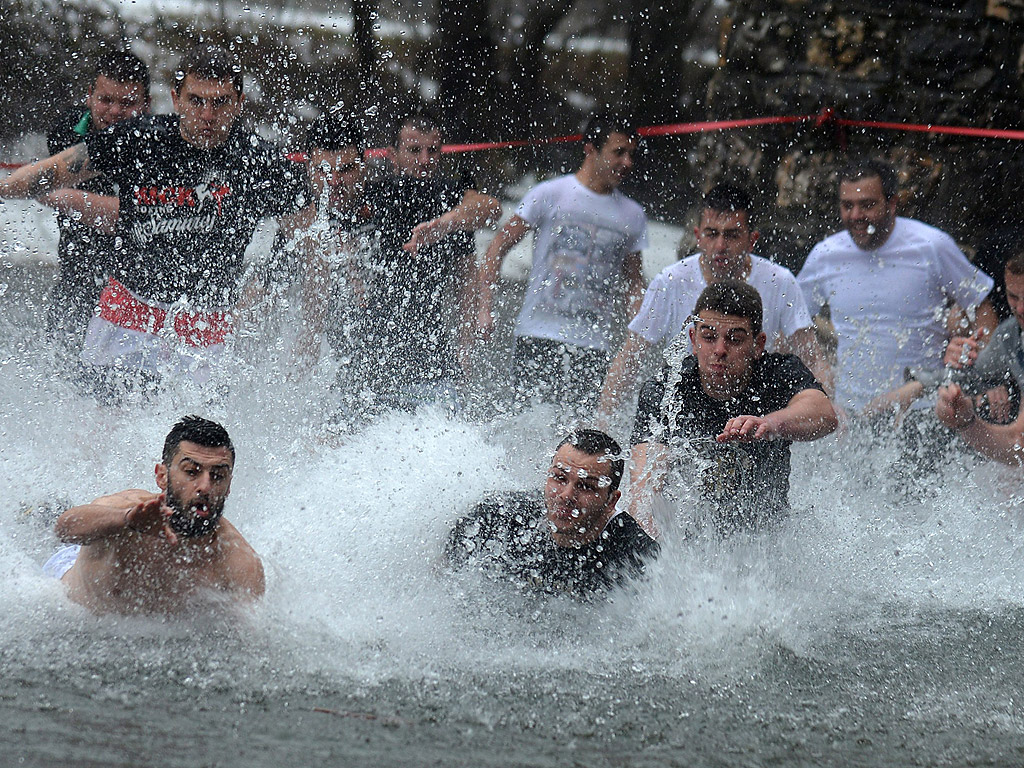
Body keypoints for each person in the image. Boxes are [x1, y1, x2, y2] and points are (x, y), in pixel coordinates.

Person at [0, 44, 314, 389]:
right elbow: (51, 171)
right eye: (196, 100)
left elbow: (308, 240)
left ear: (239, 103)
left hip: (205, 325)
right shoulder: (140, 139)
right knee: (100, 434)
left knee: (199, 440)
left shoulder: (261, 162)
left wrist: (268, 293)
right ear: (176, 98)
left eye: (221, 102)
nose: (208, 115)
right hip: (127, 313)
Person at [598, 182, 830, 424]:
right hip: (688, 405)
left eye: (731, 235)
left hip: (756, 405)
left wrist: (828, 405)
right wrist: (603, 421)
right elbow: (632, 355)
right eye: (712, 234)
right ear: (698, 237)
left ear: (752, 240)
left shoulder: (780, 282)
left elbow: (811, 357)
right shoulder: (670, 281)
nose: (720, 246)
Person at [629, 280, 837, 535]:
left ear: (758, 344)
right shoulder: (667, 388)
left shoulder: (778, 373)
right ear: (693, 340)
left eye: (734, 340)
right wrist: (648, 533)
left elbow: (823, 413)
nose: (719, 350)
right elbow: (645, 483)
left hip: (766, 536)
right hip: (689, 534)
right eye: (709, 337)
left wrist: (770, 424)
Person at [797, 158, 996, 417]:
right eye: (847, 206)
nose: (856, 216)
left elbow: (981, 306)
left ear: (891, 203)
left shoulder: (931, 246)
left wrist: (988, 374)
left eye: (867, 205)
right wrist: (819, 380)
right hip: (852, 414)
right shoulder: (825, 255)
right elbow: (793, 323)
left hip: (923, 409)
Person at [476, 111, 648, 410]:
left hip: (593, 345)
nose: (627, 163)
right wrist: (484, 306)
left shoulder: (632, 215)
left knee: (582, 442)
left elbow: (634, 284)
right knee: (526, 429)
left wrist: (638, 340)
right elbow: (497, 247)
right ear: (590, 149)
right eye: (618, 152)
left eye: (631, 154)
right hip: (537, 334)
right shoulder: (551, 193)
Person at [44, 415, 264, 615]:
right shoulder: (128, 508)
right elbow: (64, 529)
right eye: (191, 472)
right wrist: (127, 520)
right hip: (71, 589)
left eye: (217, 476)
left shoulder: (239, 563)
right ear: (162, 476)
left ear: (228, 486)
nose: (205, 487)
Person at [358, 110, 501, 410]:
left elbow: (491, 210)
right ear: (392, 155)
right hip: (370, 351)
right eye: (414, 150)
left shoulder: (451, 197)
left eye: (432, 150)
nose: (425, 160)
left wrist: (445, 223)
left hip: (431, 352)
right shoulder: (374, 195)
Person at [446, 429, 659, 599]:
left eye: (586, 486)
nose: (566, 495)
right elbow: (444, 577)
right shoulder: (498, 519)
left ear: (611, 501)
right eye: (559, 478)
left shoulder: (638, 558)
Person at [40, 50, 151, 357]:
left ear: (146, 106)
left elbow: (131, 215)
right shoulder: (66, 131)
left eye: (127, 103)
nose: (114, 111)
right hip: (78, 276)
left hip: (136, 288)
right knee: (62, 379)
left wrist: (68, 198)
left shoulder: (158, 144)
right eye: (105, 100)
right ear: (89, 96)